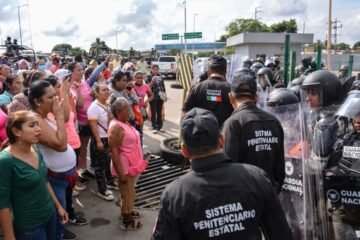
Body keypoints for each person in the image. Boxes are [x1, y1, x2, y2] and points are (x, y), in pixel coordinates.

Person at [152, 107, 292, 240]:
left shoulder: (174, 195)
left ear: (184, 150)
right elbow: (281, 234)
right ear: (222, 141)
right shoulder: (256, 178)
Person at [0, 111, 68, 240]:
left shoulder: (35, 148)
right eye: (32, 125)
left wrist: (58, 206)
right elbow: (2, 204)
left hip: (50, 215)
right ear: (17, 131)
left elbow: (44, 180)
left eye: (38, 124)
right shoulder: (5, 161)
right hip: (30, 227)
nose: (39, 129)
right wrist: (9, 236)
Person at [28, 80, 77, 240]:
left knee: (60, 217)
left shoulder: (45, 114)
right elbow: (61, 145)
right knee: (56, 220)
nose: (55, 101)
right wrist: (59, 115)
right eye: (51, 97)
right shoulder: (35, 120)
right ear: (37, 101)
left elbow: (67, 116)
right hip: (54, 179)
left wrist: (62, 95)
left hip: (63, 177)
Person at [221, 74, 285, 193]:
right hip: (269, 195)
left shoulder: (232, 124)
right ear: (256, 97)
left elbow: (227, 169)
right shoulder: (274, 122)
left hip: (244, 199)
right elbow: (280, 170)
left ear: (231, 97)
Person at [108, 97, 148, 230]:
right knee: (128, 193)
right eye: (127, 109)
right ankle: (127, 220)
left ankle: (128, 210)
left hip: (131, 164)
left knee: (130, 192)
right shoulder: (116, 127)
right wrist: (121, 174)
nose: (130, 111)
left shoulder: (124, 122)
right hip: (124, 168)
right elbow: (113, 151)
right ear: (119, 112)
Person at [325, 91, 360, 239]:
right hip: (345, 200)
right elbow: (336, 164)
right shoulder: (347, 139)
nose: (358, 120)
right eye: (356, 115)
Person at [183, 56, 233, 127]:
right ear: (225, 73)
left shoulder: (197, 87)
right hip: (224, 134)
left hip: (200, 133)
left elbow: (185, 112)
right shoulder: (231, 89)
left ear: (209, 72)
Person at [87, 83, 117, 201]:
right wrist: (98, 141)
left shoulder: (107, 104)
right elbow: (93, 125)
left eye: (107, 90)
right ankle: (102, 190)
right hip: (100, 138)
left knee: (108, 161)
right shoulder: (94, 107)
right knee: (100, 166)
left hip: (108, 137)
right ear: (96, 92)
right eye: (104, 90)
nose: (106, 92)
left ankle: (110, 182)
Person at [133, 71, 154, 144]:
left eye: (141, 78)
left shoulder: (146, 86)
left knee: (140, 129)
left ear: (143, 78)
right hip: (132, 110)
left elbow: (151, 95)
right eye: (137, 78)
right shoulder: (131, 86)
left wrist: (146, 102)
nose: (139, 79)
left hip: (141, 109)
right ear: (134, 78)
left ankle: (140, 145)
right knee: (133, 129)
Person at [146, 64, 166, 133]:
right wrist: (152, 81)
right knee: (153, 112)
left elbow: (163, 86)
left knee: (159, 111)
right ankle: (154, 127)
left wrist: (164, 95)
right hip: (152, 96)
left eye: (157, 69)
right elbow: (147, 88)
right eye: (154, 69)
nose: (156, 71)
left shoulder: (160, 76)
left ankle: (159, 126)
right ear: (151, 69)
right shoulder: (148, 76)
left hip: (160, 96)